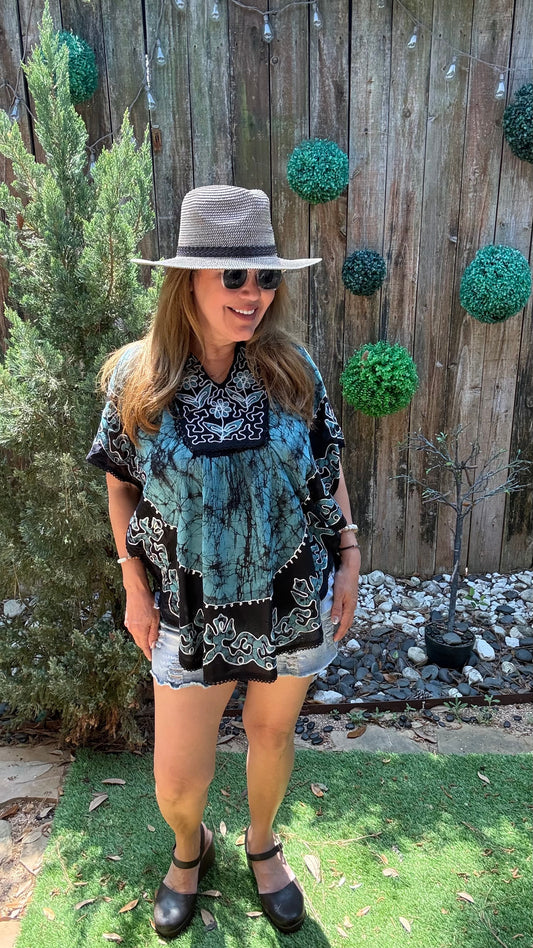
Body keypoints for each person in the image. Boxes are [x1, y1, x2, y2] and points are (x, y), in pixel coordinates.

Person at [87, 185, 360, 938]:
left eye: (265, 277)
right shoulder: (137, 379)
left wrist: (349, 555)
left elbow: (325, 465)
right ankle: (191, 846)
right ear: (187, 283)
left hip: (291, 594)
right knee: (178, 781)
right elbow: (120, 484)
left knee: (272, 736)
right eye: (233, 276)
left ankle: (262, 843)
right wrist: (131, 581)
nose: (253, 294)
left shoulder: (292, 370)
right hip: (186, 606)